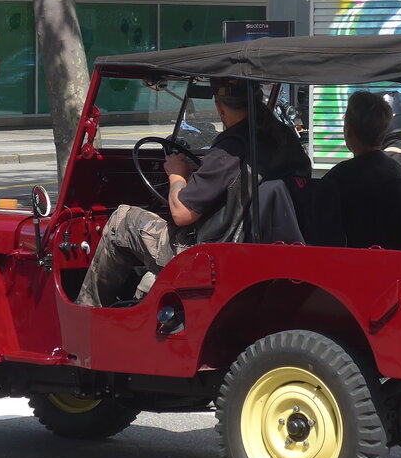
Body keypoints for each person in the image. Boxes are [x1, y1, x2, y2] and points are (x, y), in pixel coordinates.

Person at [76, 78, 311, 308]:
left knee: (122, 219)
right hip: (255, 247)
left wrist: (177, 175)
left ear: (219, 107)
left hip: (206, 253)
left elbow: (182, 214)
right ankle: (142, 302)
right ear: (259, 98)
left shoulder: (231, 147)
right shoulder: (284, 138)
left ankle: (87, 313)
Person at [310, 89, 401, 247]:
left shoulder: (337, 178)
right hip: (392, 261)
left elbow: (322, 236)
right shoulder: (397, 170)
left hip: (349, 264)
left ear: (348, 130)